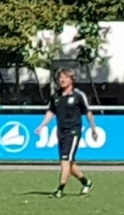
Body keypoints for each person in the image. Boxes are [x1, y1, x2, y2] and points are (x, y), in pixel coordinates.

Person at [35, 68, 96, 198]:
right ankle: (86, 183)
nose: (62, 80)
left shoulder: (78, 95)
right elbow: (51, 112)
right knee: (69, 162)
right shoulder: (56, 96)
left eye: (65, 77)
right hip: (61, 131)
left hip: (73, 131)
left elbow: (88, 112)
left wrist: (93, 129)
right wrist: (42, 126)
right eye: (60, 77)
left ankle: (60, 189)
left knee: (65, 160)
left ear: (71, 80)